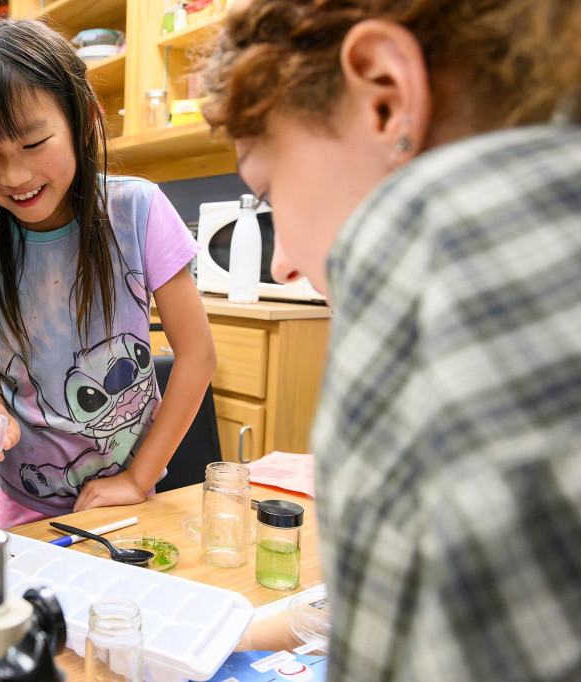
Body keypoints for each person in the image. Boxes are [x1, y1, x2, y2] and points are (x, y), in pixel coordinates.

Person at [201, 0, 581, 679]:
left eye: (267, 192)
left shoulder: (429, 236)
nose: (281, 261)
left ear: (384, 97)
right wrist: (231, 631)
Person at [0, 18, 216, 528]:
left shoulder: (138, 211)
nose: (14, 176)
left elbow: (197, 356)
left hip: (132, 491)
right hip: (23, 500)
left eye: (34, 144)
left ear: (81, 118)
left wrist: (135, 479)